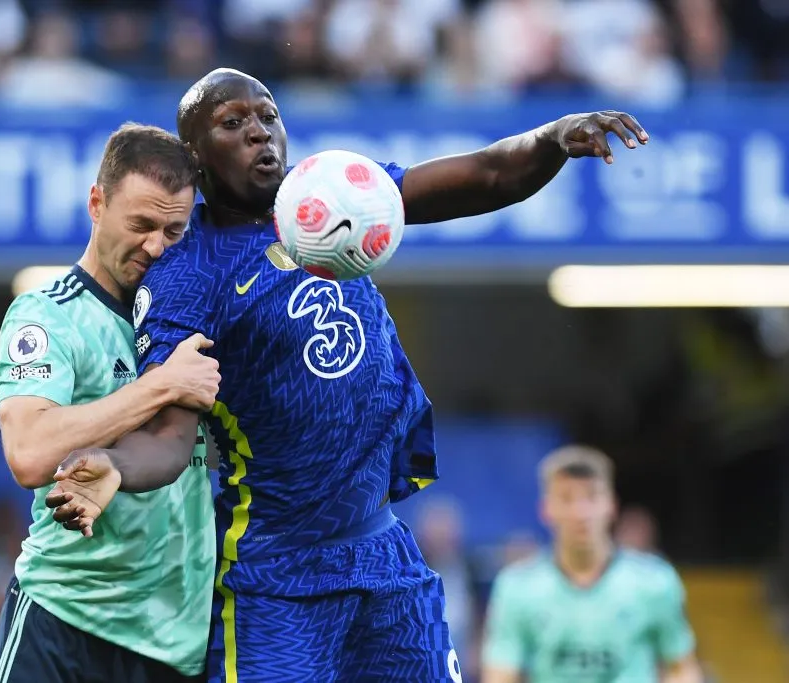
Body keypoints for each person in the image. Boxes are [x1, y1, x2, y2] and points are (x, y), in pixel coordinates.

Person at [47, 68, 650, 682]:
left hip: (384, 555)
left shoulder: (330, 191)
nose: (260, 133)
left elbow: (487, 176)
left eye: (267, 116)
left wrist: (553, 137)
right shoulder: (187, 276)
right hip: (275, 580)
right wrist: (118, 467)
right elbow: (170, 436)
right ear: (196, 159)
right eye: (233, 124)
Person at [0, 123, 221, 683]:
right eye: (140, 224)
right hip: (64, 622)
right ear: (96, 202)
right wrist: (161, 386)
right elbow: (28, 451)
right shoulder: (48, 316)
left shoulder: (195, 320)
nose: (155, 246)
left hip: (172, 641)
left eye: (174, 229)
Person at [481, 445, 703, 683]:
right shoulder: (517, 587)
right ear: (546, 509)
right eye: (566, 498)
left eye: (592, 496)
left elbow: (681, 667)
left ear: (612, 505)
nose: (580, 512)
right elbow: (500, 674)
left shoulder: (655, 582)